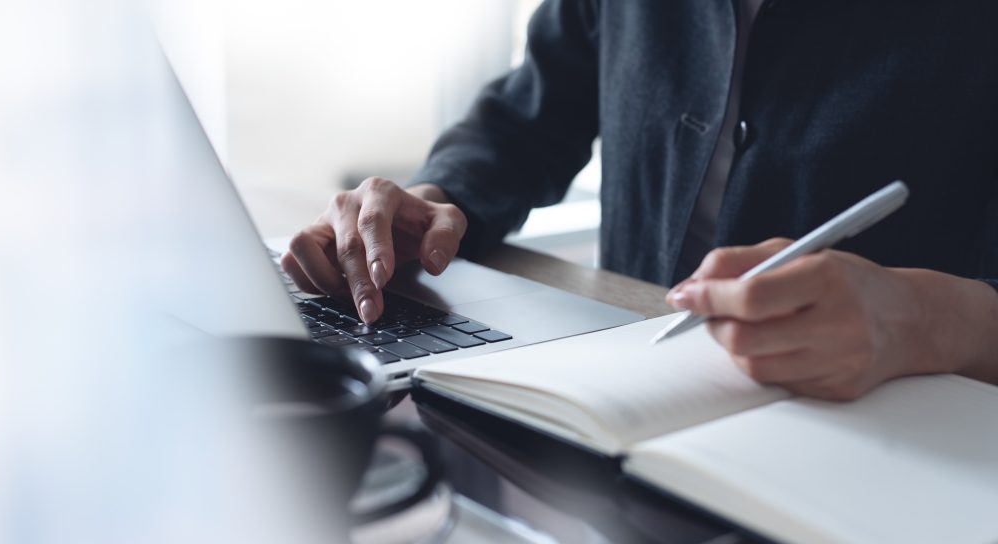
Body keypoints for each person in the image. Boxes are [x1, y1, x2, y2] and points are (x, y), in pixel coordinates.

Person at [282, 1, 998, 400]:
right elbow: (532, 114)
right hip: (626, 385)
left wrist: (928, 320)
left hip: (899, 436)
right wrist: (434, 200)